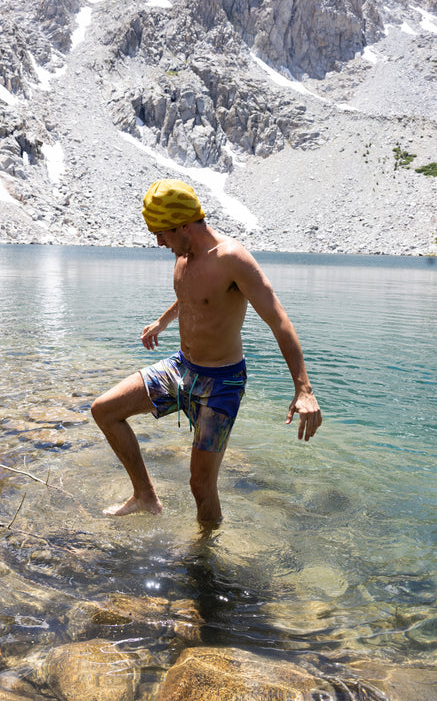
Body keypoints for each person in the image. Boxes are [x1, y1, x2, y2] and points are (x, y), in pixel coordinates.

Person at [91, 179, 322, 525]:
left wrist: (303, 389)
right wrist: (162, 322)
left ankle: (206, 558)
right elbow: (192, 296)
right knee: (105, 410)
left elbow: (279, 318)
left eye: (162, 232)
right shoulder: (184, 255)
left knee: (200, 486)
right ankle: (144, 495)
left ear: (185, 224)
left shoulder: (231, 258)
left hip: (221, 384)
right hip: (181, 369)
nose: (158, 241)